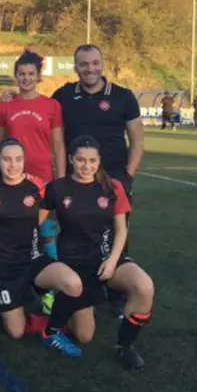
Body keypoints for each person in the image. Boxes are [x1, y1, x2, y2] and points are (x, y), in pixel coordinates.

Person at [41, 135, 154, 369]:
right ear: (71, 159)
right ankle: (71, 299)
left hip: (107, 258)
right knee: (84, 336)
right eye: (81, 160)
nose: (86, 166)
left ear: (99, 160)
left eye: (92, 160)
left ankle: (125, 346)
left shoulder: (112, 187)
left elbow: (122, 230)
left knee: (144, 287)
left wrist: (112, 261)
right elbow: (36, 221)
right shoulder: (57, 188)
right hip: (75, 263)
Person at [51, 44, 145, 317]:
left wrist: (128, 176)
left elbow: (137, 140)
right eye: (83, 64)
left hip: (112, 178)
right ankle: (73, 284)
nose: (89, 69)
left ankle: (115, 290)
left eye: (94, 63)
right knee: (73, 232)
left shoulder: (123, 97)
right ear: (75, 66)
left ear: (102, 64)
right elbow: (45, 115)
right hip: (76, 181)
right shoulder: (63, 96)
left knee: (117, 234)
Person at [0, 137, 82, 343]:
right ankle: (20, 305)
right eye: (7, 159)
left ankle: (52, 326)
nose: (13, 165)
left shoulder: (36, 185)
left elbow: (43, 216)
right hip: (3, 267)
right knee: (16, 332)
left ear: (24, 160)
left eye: (18, 159)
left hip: (32, 257)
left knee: (73, 283)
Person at [0, 50, 67, 313]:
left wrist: (59, 182)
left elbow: (58, 146)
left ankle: (50, 291)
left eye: (31, 74)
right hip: (12, 182)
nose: (26, 78)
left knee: (47, 234)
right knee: (18, 235)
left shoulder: (51, 106)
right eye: (21, 74)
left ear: (39, 76)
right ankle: (17, 284)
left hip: (43, 182)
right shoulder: (5, 105)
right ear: (15, 76)